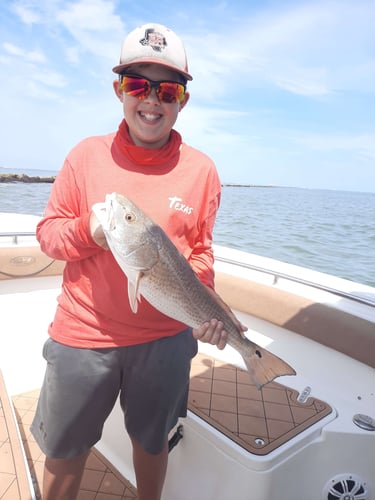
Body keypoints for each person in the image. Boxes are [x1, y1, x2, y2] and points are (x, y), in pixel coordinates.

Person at [31, 22, 245, 500]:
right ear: (119, 90)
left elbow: (200, 252)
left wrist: (204, 308)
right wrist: (89, 229)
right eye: (137, 85)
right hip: (83, 335)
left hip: (167, 340)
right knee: (64, 451)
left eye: (167, 89)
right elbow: (48, 235)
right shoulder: (85, 156)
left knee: (152, 442)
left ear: (182, 100)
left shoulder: (203, 170)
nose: (151, 100)